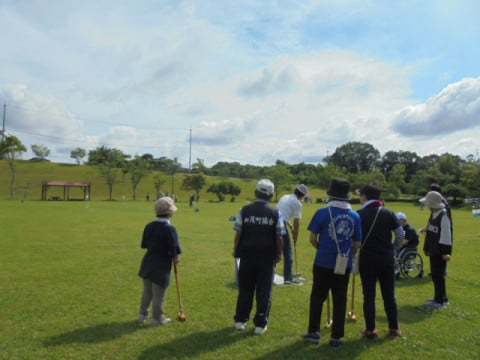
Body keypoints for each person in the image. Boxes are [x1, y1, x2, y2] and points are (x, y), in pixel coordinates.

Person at [302, 178, 362, 347]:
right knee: (340, 299)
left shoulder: (321, 213)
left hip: (322, 261)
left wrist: (322, 249)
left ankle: (314, 332)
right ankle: (336, 337)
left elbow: (312, 238)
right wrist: (348, 253)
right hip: (344, 263)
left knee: (317, 297)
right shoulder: (355, 215)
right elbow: (357, 243)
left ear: (331, 194)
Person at [232, 179, 285, 335]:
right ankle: (260, 324)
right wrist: (279, 253)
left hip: (247, 255)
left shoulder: (244, 210)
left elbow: (238, 233)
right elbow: (279, 237)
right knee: (264, 290)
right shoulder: (276, 213)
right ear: (271, 195)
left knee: (245, 288)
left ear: (256, 193)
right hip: (267, 257)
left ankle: (240, 320)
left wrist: (235, 250)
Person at [357, 183, 404, 340]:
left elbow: (355, 239)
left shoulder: (359, 214)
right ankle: (394, 328)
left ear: (364, 196)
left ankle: (371, 330)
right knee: (389, 295)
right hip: (386, 258)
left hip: (367, 258)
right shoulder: (389, 213)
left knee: (368, 296)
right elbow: (400, 234)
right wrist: (393, 248)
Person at [137, 196, 182, 326]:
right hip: (161, 266)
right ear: (169, 213)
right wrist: (176, 258)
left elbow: (144, 244)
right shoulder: (170, 229)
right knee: (158, 295)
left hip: (147, 262)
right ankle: (157, 319)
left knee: (147, 292)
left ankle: (142, 315)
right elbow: (175, 249)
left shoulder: (149, 226)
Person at [419, 191, 452, 309]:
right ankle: (439, 297)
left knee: (439, 276)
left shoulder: (443, 215)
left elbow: (446, 236)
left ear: (432, 204)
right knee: (435, 275)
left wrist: (445, 252)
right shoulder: (434, 214)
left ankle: (441, 301)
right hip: (433, 250)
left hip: (439, 251)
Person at [276, 184, 308, 284]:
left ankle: (267, 273)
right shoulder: (298, 204)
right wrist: (295, 236)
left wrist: (290, 226)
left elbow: (283, 214)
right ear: (302, 195)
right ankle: (288, 279)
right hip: (280, 225)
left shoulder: (285, 197)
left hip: (273, 223)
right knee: (288, 253)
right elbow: (297, 221)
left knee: (274, 250)